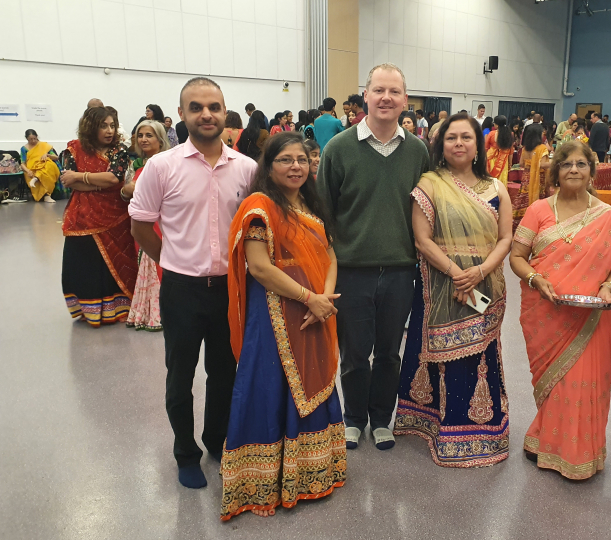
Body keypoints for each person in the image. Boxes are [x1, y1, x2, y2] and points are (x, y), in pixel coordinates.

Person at [129, 77, 258, 489]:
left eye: (214, 107)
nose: (206, 114)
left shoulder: (247, 169)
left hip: (229, 289)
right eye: (197, 107)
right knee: (179, 375)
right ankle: (186, 452)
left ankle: (216, 442)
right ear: (181, 114)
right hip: (181, 289)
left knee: (225, 372)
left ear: (225, 113)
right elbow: (141, 226)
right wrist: (171, 261)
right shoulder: (162, 166)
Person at [221, 132, 346, 520]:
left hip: (315, 311)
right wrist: (311, 300)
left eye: (302, 160)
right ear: (268, 166)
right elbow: (259, 267)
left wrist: (324, 301)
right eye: (285, 160)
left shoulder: (310, 204)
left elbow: (329, 255)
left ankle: (311, 471)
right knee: (269, 383)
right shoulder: (259, 206)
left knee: (313, 379)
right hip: (276, 311)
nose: (296, 167)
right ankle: (262, 481)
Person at [317, 63, 430, 451]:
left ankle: (381, 419)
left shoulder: (417, 152)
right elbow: (323, 212)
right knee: (353, 353)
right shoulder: (339, 148)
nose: (386, 98)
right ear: (364, 95)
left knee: (388, 353)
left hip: (401, 271)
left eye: (394, 92)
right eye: (378, 90)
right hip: (352, 271)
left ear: (404, 100)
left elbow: (428, 209)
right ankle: (353, 419)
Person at [510, 140, 611, 479]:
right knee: (554, 382)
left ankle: (580, 454)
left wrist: (609, 285)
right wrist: (536, 279)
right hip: (546, 313)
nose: (574, 170)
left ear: (592, 172)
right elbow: (517, 258)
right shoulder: (539, 211)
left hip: (594, 316)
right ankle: (543, 439)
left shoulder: (610, 217)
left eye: (582, 164)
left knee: (584, 382)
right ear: (557, 171)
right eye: (567, 165)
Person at [394, 113, 513, 467]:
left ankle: (480, 432)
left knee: (479, 354)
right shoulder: (429, 184)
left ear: (479, 145)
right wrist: (456, 273)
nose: (458, 143)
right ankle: (430, 424)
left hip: (484, 284)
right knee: (433, 350)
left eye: (466, 137)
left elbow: (506, 237)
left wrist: (478, 271)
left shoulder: (496, 188)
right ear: (440, 145)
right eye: (451, 138)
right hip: (440, 283)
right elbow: (421, 239)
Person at [60, 106, 137, 326]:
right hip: (81, 217)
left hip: (116, 216)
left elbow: (114, 179)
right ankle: (89, 309)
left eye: (112, 125)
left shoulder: (118, 151)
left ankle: (117, 308)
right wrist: (96, 183)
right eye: (103, 126)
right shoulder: (74, 150)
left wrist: (82, 176)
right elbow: (68, 181)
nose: (109, 130)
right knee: (84, 263)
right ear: (91, 127)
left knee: (116, 261)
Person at [121, 120, 170, 331]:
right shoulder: (137, 164)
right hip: (140, 223)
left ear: (160, 139)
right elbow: (124, 192)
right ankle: (147, 310)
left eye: (149, 135)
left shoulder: (167, 163)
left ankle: (162, 312)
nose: (143, 139)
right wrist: (129, 190)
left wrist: (134, 189)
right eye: (140, 135)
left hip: (161, 225)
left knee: (161, 265)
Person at [512, 124, 549, 231]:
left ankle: (520, 225)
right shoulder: (542, 148)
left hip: (526, 179)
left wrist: (531, 164)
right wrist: (556, 162)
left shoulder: (525, 149)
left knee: (523, 199)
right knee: (538, 199)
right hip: (538, 179)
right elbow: (542, 165)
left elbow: (521, 163)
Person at [20, 129, 60, 203]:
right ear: (27, 139)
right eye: (30, 139)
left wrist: (47, 155)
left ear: (37, 137)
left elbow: (56, 157)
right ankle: (46, 195)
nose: (33, 141)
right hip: (32, 168)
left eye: (34, 138)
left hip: (44, 166)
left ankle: (36, 179)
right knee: (43, 171)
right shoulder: (24, 149)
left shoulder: (44, 146)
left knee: (48, 165)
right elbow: (22, 163)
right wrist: (28, 171)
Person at [485, 115, 513, 185]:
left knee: (491, 179)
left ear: (496, 125)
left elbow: (486, 147)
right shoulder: (510, 134)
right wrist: (510, 163)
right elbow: (511, 151)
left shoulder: (492, 133)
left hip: (492, 159)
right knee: (501, 180)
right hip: (503, 160)